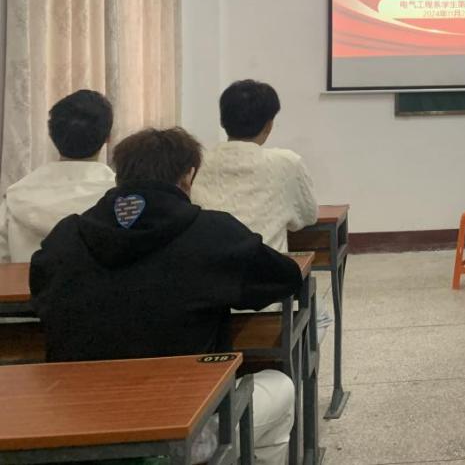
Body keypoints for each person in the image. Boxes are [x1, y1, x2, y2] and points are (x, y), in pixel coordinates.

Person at [30, 127, 302, 465]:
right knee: (279, 386)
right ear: (188, 176)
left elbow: (41, 296)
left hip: (72, 432)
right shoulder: (213, 232)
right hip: (181, 436)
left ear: (118, 176)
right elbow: (285, 278)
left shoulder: (65, 236)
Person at [191, 80, 317, 253]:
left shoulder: (195, 162)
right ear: (269, 125)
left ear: (222, 121)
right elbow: (308, 216)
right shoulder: (287, 163)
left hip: (208, 265)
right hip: (266, 265)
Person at [0, 90, 116, 262]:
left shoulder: (15, 197)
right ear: (108, 137)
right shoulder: (121, 198)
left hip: (29, 280)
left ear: (51, 134)